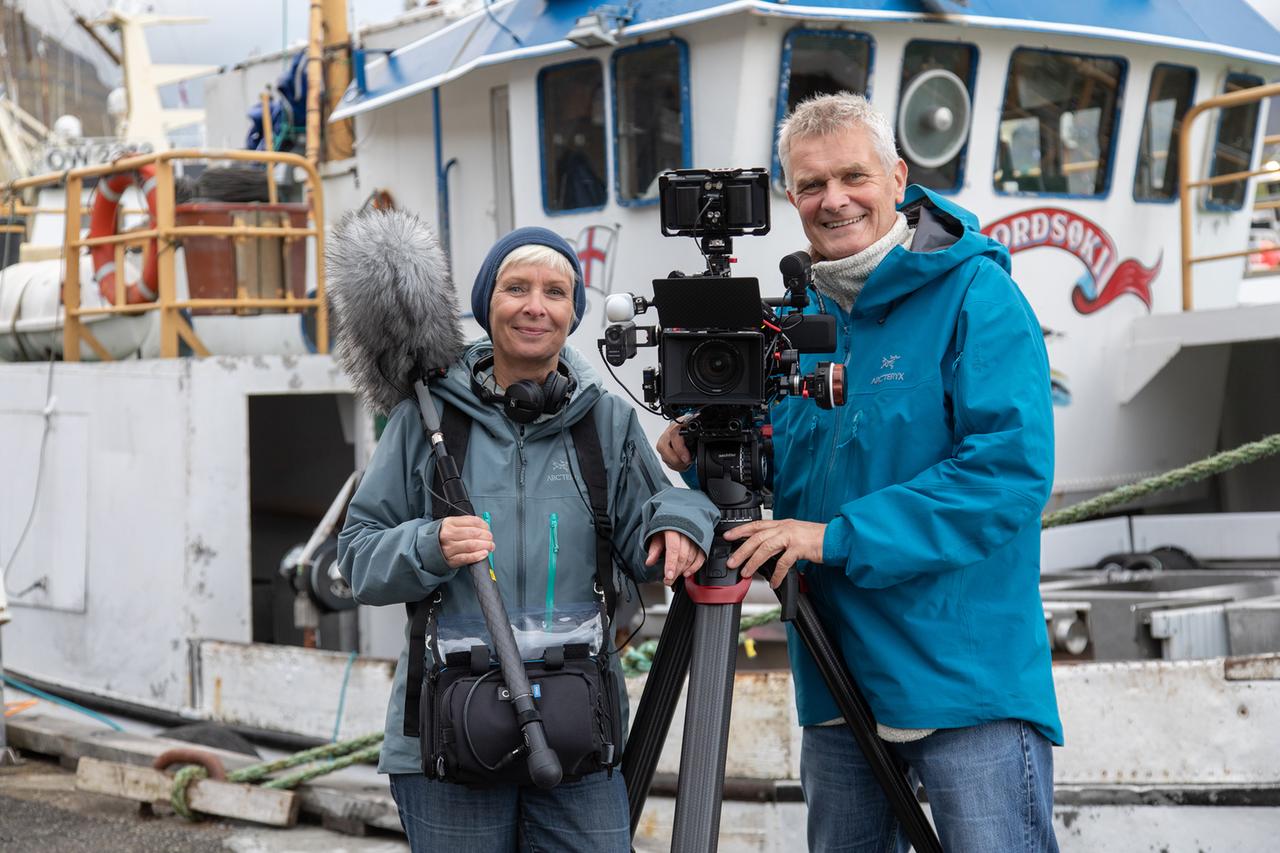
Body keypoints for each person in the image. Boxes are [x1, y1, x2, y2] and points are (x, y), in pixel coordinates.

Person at [656, 92, 1062, 852]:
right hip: (837, 679)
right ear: (790, 197)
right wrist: (710, 447)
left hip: (961, 682)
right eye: (810, 185)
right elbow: (786, 469)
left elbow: (1006, 473)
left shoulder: (978, 296)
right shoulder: (796, 324)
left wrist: (835, 537)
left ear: (899, 176)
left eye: (853, 176)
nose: (833, 199)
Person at [339, 226, 719, 853]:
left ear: (574, 313)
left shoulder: (608, 420)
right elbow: (357, 557)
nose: (535, 305)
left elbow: (657, 514)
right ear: (488, 303)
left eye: (555, 291)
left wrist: (681, 520)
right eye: (516, 288)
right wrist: (429, 545)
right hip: (445, 738)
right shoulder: (424, 418)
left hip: (577, 735)